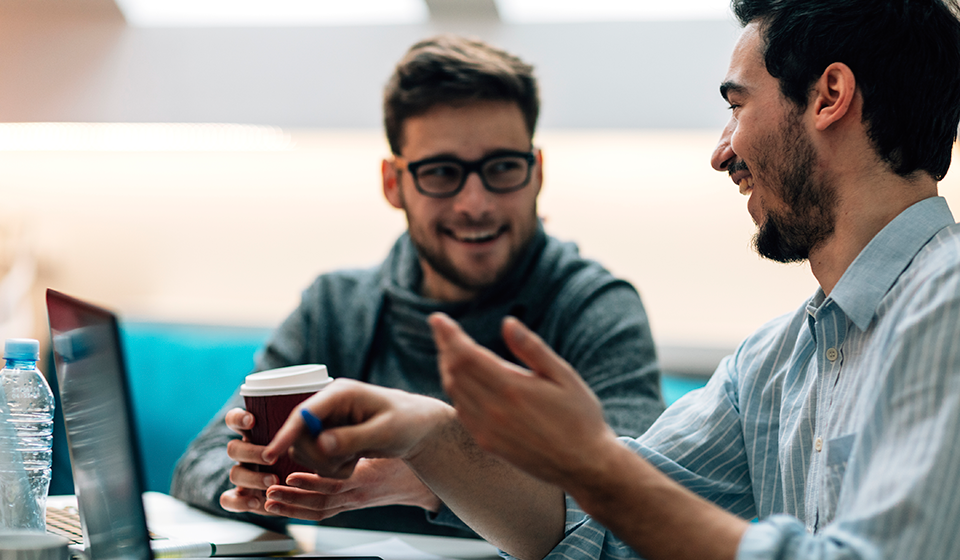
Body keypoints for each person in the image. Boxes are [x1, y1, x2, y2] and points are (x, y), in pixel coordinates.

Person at [263, 0, 960, 558]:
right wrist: (436, 437)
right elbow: (600, 528)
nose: (723, 151)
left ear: (830, 95)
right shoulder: (772, 364)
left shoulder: (947, 302)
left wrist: (595, 463)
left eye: (737, 105)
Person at [170, 35, 665, 538]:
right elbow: (200, 466)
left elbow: (642, 497)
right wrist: (262, 478)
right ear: (394, 183)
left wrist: (431, 474)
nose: (476, 203)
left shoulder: (593, 306)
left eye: (502, 168)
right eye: (442, 173)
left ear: (536, 172)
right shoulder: (335, 307)